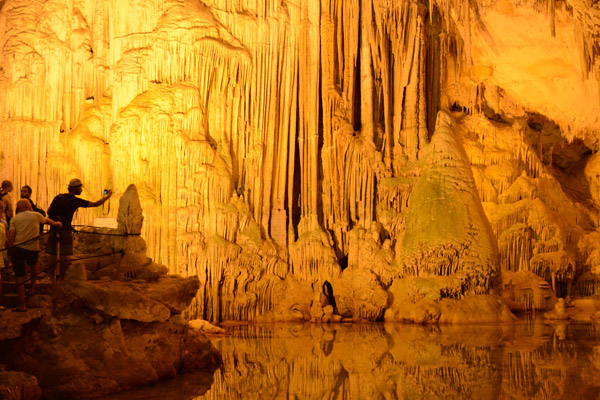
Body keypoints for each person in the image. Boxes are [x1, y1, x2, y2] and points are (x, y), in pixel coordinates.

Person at [46, 178, 112, 280]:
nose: (81, 190)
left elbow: (49, 210)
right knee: (64, 254)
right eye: (80, 188)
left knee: (52, 253)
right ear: (75, 189)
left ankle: (50, 277)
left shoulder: (58, 197)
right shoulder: (75, 201)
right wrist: (108, 197)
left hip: (54, 228)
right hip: (65, 229)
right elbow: (95, 204)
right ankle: (62, 278)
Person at [7, 199, 62, 312]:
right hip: (33, 249)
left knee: (19, 276)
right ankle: (32, 289)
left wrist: (10, 250)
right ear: (28, 206)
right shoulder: (36, 215)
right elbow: (48, 221)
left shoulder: (15, 219)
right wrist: (57, 223)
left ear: (19, 208)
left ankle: (22, 305)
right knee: (33, 268)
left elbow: (11, 236)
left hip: (19, 248)